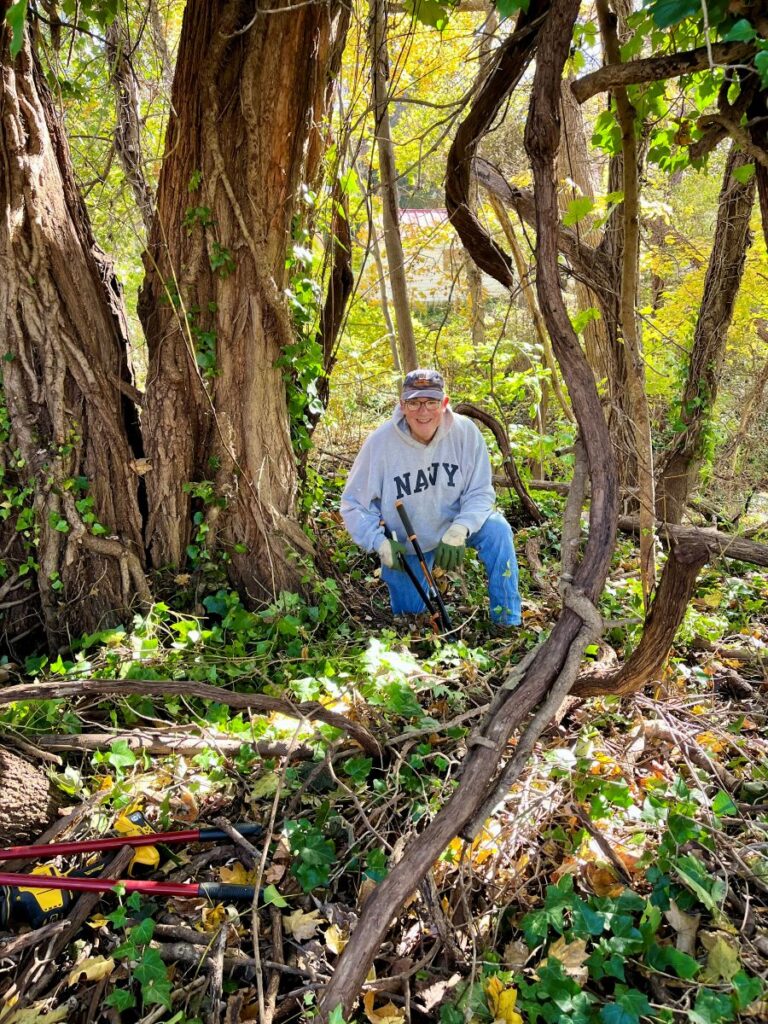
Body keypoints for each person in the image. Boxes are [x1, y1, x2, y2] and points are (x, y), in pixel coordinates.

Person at [341, 368, 521, 629]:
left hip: (455, 528)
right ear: (402, 405)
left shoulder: (465, 433)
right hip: (408, 543)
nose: (422, 411)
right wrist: (379, 543)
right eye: (414, 402)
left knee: (498, 531)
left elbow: (480, 491)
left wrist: (460, 529)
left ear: (444, 403)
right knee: (412, 622)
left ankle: (507, 622)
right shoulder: (380, 444)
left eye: (431, 402)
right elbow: (354, 503)